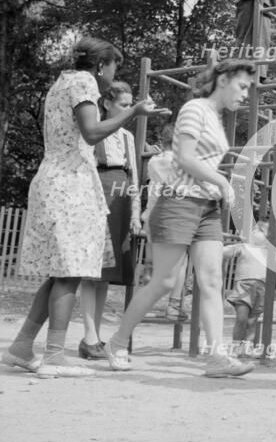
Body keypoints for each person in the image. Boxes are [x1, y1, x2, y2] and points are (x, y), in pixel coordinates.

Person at [1, 37, 167, 378]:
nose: (112, 76)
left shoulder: (62, 82)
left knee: (63, 271)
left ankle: (21, 346)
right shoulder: (84, 81)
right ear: (101, 65)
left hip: (58, 179)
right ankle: (55, 356)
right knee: (71, 271)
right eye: (113, 68)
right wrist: (132, 113)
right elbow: (91, 133)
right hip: (69, 184)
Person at [105, 59, 256, 378]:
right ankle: (117, 343)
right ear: (224, 79)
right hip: (178, 204)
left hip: (207, 209)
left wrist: (215, 186)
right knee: (165, 281)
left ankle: (216, 357)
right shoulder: (195, 109)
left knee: (212, 280)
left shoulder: (215, 117)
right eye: (242, 86)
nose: (245, 94)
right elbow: (185, 158)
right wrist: (222, 181)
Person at [78, 81, 142, 360]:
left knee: (106, 273)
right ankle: (89, 337)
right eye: (123, 105)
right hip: (98, 193)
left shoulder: (127, 137)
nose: (127, 110)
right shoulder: (94, 132)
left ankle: (94, 338)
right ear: (107, 104)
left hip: (121, 196)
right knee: (92, 272)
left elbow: (135, 176)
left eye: (130, 105)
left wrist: (136, 212)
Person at [141, 124, 189, 321]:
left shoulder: (153, 161)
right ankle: (173, 306)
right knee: (180, 262)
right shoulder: (183, 162)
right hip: (173, 217)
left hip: (152, 217)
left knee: (150, 262)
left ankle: (143, 304)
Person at [224, 219, 269, 358]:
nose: (255, 232)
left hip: (261, 288)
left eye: (260, 230)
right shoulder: (244, 246)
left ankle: (247, 348)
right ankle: (236, 346)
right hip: (243, 287)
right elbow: (223, 252)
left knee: (252, 321)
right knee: (242, 318)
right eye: (254, 229)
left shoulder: (270, 251)